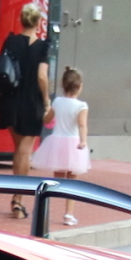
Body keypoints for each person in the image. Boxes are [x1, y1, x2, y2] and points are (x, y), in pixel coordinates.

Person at [0, 3, 53, 218]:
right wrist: (46, 100)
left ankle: (16, 195)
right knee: (25, 150)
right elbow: (42, 76)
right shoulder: (43, 46)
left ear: (21, 20)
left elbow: (1, 72)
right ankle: (18, 199)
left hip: (10, 99)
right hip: (31, 101)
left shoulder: (10, 41)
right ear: (39, 22)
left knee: (18, 148)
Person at [43, 66, 92, 227]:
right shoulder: (81, 106)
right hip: (73, 144)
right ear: (80, 87)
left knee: (55, 181)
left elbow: (48, 119)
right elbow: (82, 125)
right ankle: (68, 214)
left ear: (63, 86)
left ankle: (45, 211)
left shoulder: (57, 101)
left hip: (57, 143)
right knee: (72, 182)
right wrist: (83, 141)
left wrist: (45, 113)